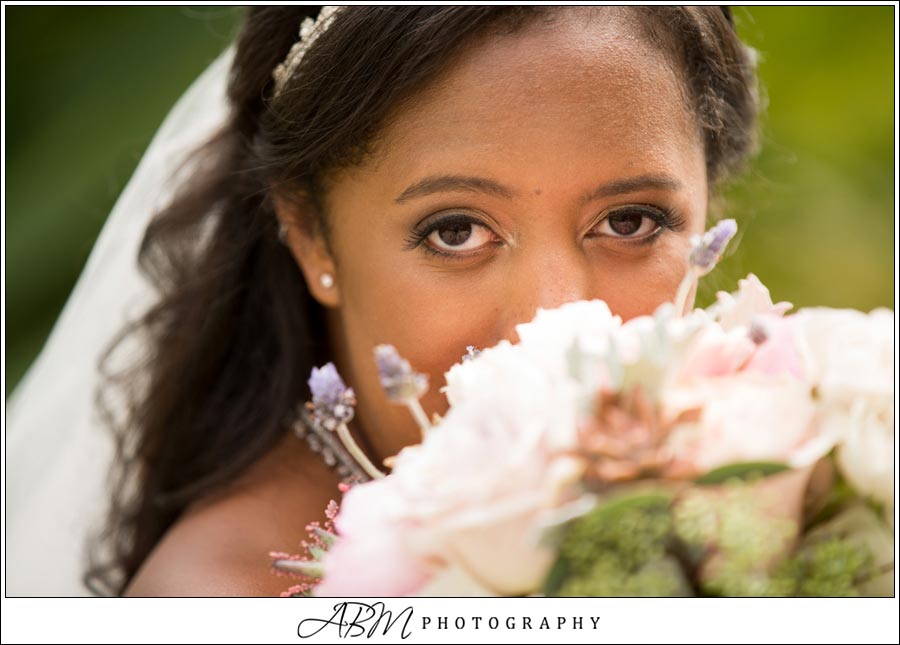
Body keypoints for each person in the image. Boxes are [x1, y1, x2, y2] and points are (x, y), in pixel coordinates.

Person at [7, 5, 759, 596]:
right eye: (456, 231)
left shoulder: (772, 486)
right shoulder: (227, 603)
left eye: (629, 222)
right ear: (312, 237)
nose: (553, 322)